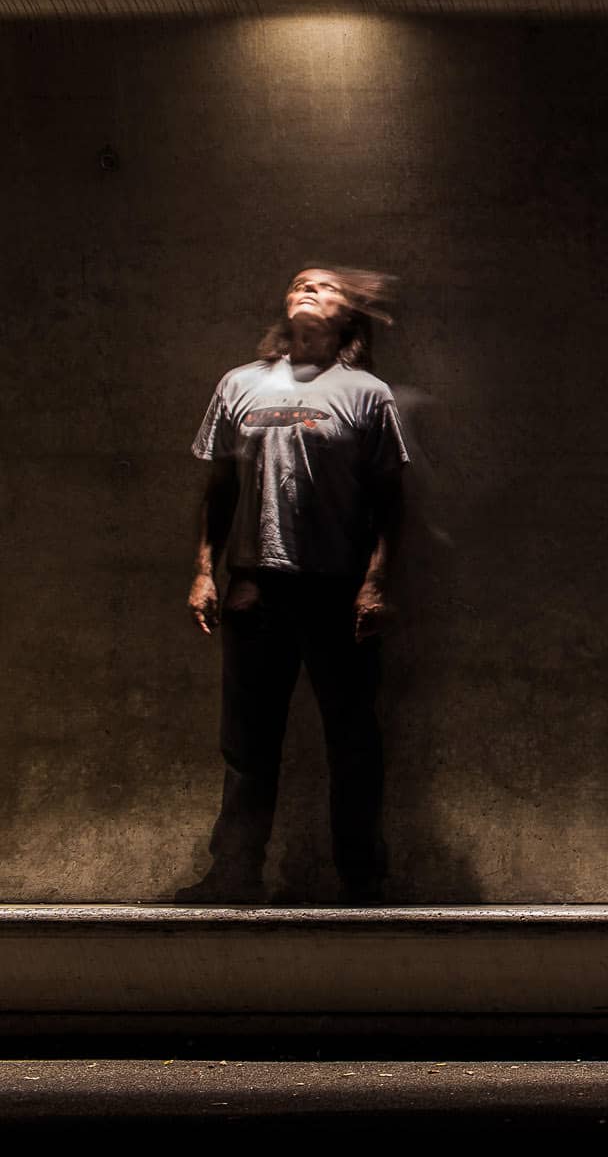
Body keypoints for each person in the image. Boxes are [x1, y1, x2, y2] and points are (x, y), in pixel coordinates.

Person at [179, 266, 409, 904]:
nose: (308, 287)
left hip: (337, 590)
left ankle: (362, 882)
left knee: (353, 741)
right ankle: (234, 875)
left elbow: (390, 501)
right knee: (246, 745)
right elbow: (219, 490)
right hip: (255, 589)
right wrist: (203, 571)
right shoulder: (240, 384)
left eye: (325, 285)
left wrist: (376, 582)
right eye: (300, 282)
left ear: (347, 318)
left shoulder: (367, 392)